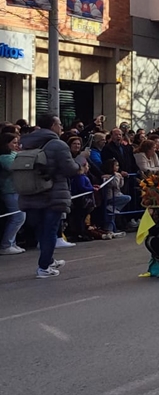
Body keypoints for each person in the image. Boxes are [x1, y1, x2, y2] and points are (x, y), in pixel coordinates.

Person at [18, 115, 81, 278]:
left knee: (41, 230)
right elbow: (70, 169)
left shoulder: (25, 142)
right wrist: (80, 163)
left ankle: (48, 259)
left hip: (30, 192)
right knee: (50, 230)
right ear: (53, 126)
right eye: (59, 124)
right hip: (53, 193)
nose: (61, 128)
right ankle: (44, 267)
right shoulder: (57, 145)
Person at [0, 132, 27, 255]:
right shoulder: (4, 157)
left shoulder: (13, 154)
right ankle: (6, 244)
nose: (16, 145)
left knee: (19, 216)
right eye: (14, 143)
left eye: (17, 142)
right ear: (6, 144)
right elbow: (14, 166)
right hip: (9, 190)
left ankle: (12, 242)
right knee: (18, 217)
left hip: (17, 189)